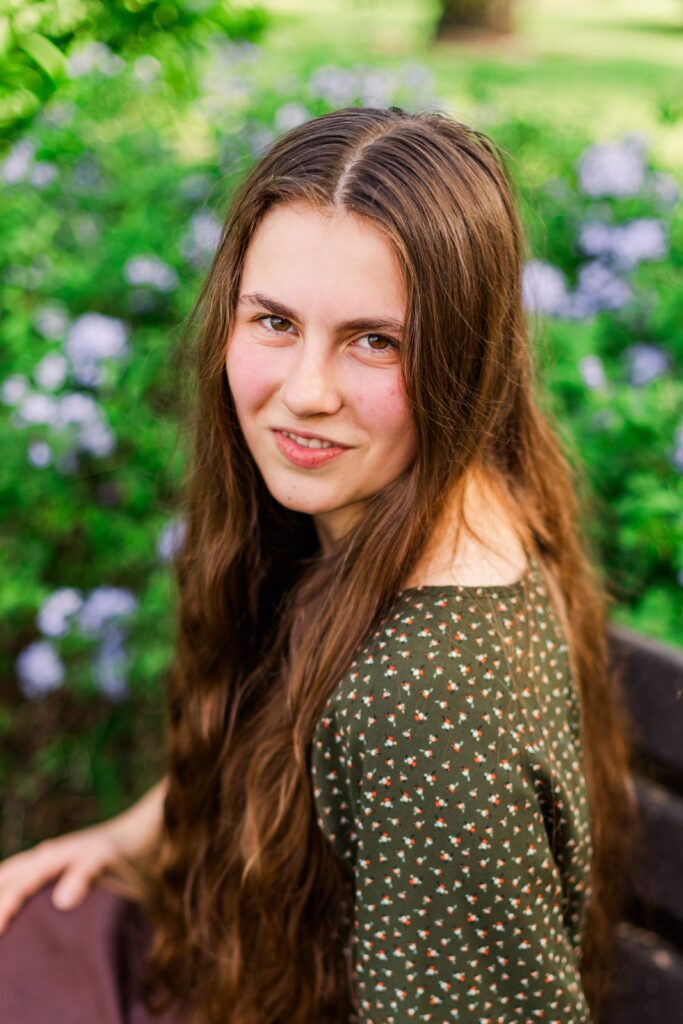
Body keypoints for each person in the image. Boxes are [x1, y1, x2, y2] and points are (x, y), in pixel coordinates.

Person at [0, 105, 638, 1024]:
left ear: (465, 354)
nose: (305, 391)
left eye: (374, 340)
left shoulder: (422, 716)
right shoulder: (453, 495)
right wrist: (130, 837)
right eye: (273, 321)